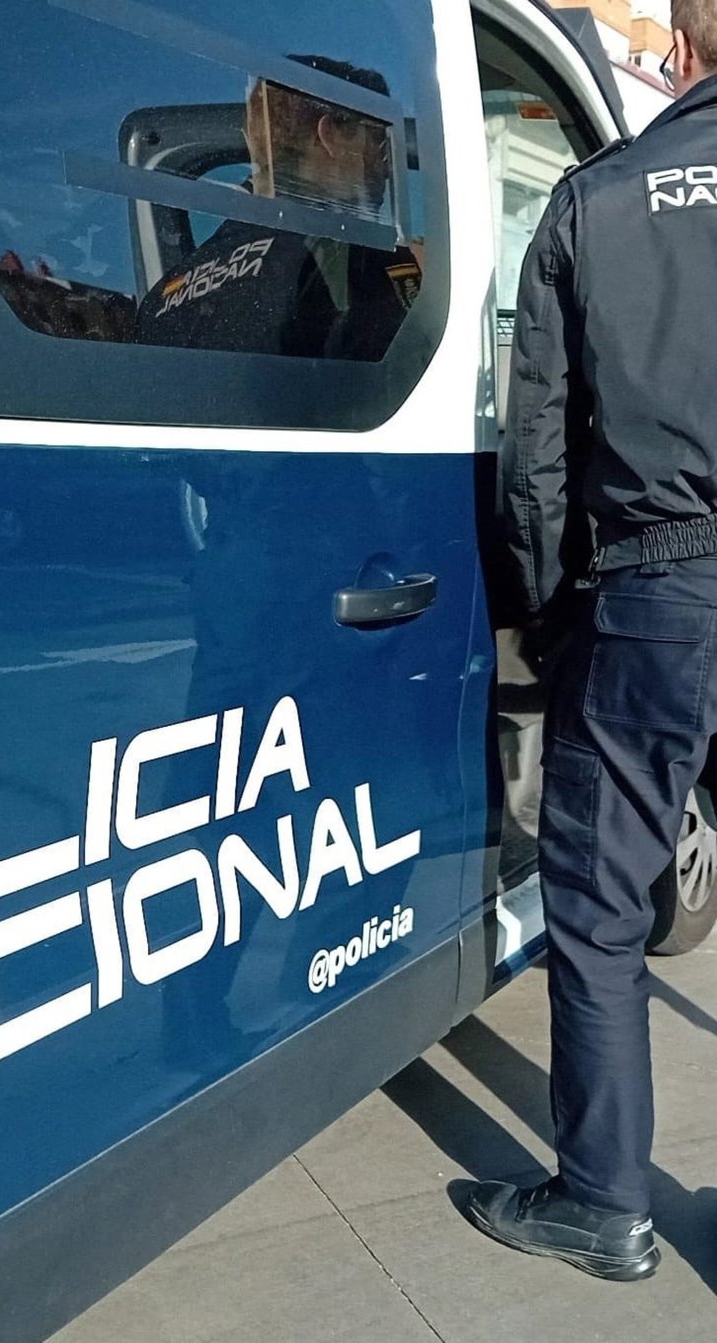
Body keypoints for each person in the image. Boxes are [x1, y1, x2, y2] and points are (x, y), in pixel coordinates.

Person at [466, 2, 717, 1282]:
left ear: (682, 46)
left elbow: (538, 454)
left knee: (604, 907)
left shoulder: (597, 197)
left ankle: (606, 1203)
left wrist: (552, 613)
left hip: (657, 591)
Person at [133, 55, 421, 360]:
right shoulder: (353, 256)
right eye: (379, 140)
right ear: (330, 135)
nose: (387, 167)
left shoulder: (159, 302)